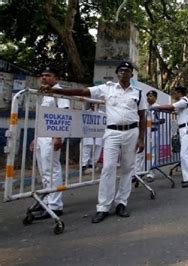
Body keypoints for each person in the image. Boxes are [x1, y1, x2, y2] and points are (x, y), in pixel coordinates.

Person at [39, 61, 146, 223]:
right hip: (112, 132)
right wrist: (54, 90)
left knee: (127, 169)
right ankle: (103, 207)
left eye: (127, 70)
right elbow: (82, 91)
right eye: (121, 70)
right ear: (117, 73)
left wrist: (141, 138)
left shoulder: (138, 93)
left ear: (132, 74)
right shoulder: (106, 88)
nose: (124, 73)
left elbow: (143, 116)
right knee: (108, 168)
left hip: (132, 132)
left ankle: (121, 203)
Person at [29, 66, 70, 219]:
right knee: (44, 171)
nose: (44, 77)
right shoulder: (45, 93)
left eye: (48, 75)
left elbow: (63, 114)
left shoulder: (59, 91)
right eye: (42, 75)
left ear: (56, 78)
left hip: (52, 136)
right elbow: (43, 118)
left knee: (52, 170)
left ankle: (55, 206)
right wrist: (36, 137)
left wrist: (58, 136)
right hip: (42, 136)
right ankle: (47, 200)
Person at [151, 86, 188, 188]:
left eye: (174, 93)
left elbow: (171, 107)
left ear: (179, 92)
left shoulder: (184, 101)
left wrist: (157, 107)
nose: (173, 95)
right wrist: (160, 109)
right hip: (185, 129)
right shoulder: (183, 103)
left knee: (185, 154)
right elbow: (172, 111)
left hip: (186, 129)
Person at [134, 90, 159, 182]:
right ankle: (137, 173)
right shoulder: (144, 107)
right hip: (144, 133)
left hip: (153, 131)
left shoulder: (157, 107)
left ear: (155, 98)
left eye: (151, 96)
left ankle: (150, 173)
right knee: (140, 152)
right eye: (147, 96)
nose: (149, 98)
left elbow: (157, 120)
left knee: (151, 153)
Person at [81, 103, 103, 174]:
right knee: (86, 150)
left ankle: (92, 165)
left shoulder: (102, 114)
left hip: (98, 135)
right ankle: (83, 166)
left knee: (96, 151)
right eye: (92, 104)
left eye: (96, 104)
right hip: (88, 135)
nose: (94, 105)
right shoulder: (86, 113)